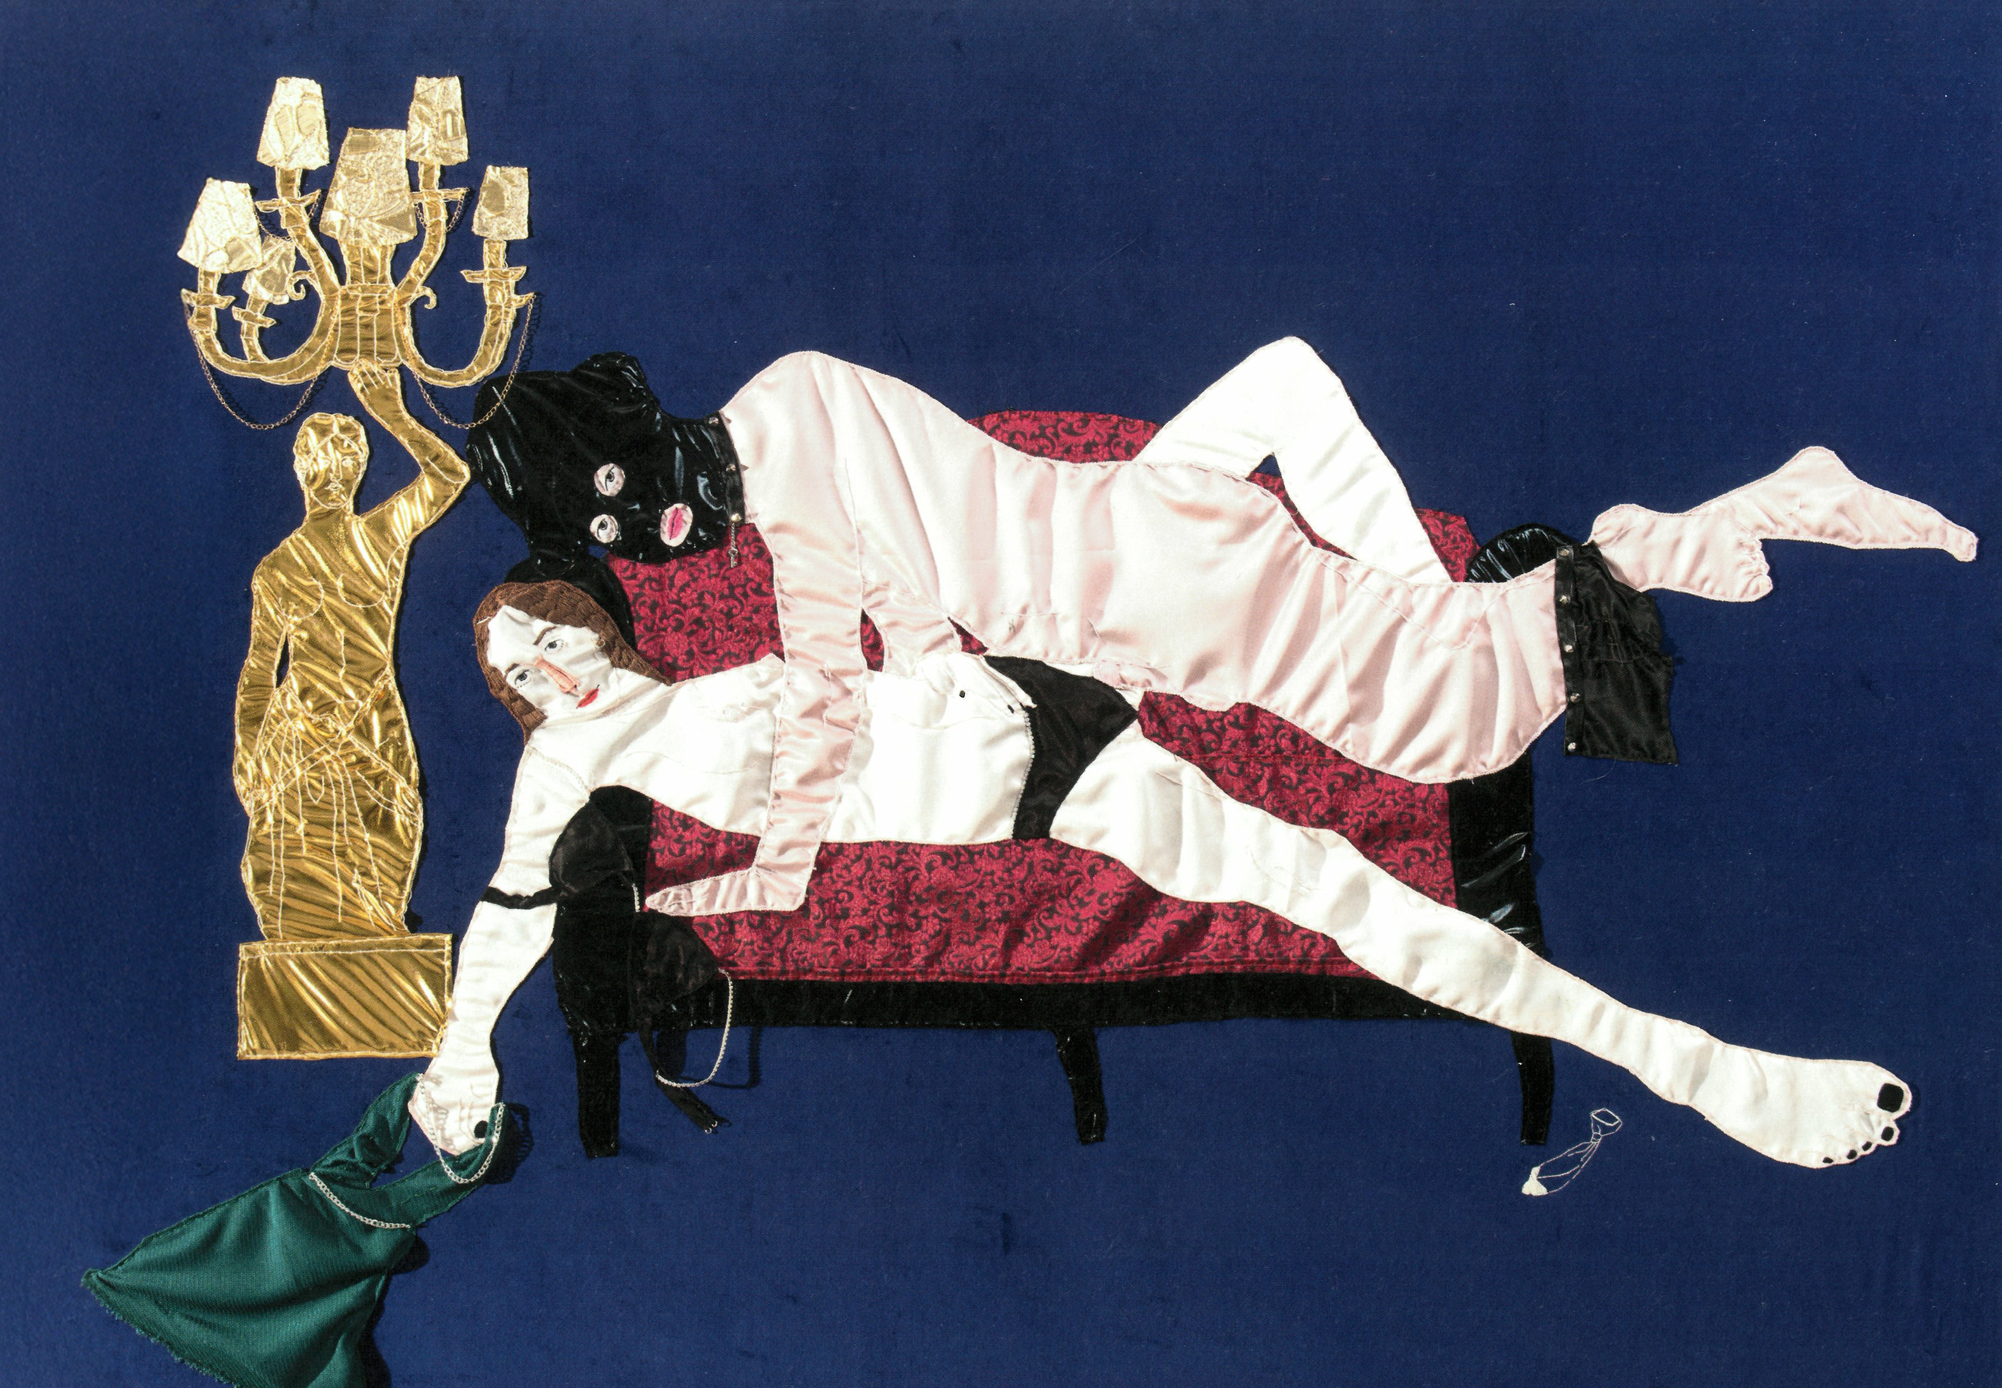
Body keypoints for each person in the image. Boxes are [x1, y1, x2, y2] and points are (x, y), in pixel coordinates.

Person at [409, 579, 1914, 1173]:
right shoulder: (570, 767)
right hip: (1044, 793)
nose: (547, 666)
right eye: (517, 670)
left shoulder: (711, 672)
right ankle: (1702, 1071)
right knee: (1338, 889)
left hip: (1045, 707)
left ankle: (1707, 1070)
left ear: (594, 629)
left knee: (1340, 869)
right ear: (523, 707)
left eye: (549, 635)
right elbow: (508, 909)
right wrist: (460, 1054)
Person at [464, 341, 1977, 926]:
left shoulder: (785, 491)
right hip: (1138, 518)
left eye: (632, 504)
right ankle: (1529, 576)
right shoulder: (792, 389)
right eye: (616, 539)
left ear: (640, 443)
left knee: (1451, 729)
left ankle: (1660, 539)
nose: (652, 539)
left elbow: (832, 687)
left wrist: (766, 875)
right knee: (1291, 387)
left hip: (1154, 589)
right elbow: (919, 615)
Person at [235, 362, 471, 940]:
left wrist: (394, 414)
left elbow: (451, 476)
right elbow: (260, 669)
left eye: (343, 462)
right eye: (324, 462)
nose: (331, 474)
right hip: (314, 730)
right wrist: (248, 749)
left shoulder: (372, 539)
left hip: (364, 724)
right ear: (303, 469)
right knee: (309, 874)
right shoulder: (292, 564)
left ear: (358, 470)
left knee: (386, 848)